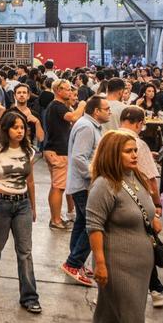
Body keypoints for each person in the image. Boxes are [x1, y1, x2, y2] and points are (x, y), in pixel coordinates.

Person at [78, 130, 163, 323]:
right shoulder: (104, 186)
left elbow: (147, 208)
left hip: (140, 263)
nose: (135, 154)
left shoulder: (134, 179)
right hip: (117, 264)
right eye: (128, 151)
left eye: (135, 150)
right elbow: (93, 226)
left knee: (108, 309)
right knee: (132, 319)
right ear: (112, 154)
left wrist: (154, 220)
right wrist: (101, 265)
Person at [0, 110, 41, 313]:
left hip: (22, 204)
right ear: (6, 129)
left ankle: (29, 296)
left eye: (22, 127)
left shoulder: (29, 151)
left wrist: (33, 206)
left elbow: (30, 180)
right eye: (15, 127)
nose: (20, 131)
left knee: (25, 251)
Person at [117, 106, 163, 308]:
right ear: (139, 124)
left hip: (115, 201)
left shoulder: (109, 138)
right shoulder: (137, 144)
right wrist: (157, 203)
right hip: (137, 202)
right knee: (146, 247)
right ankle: (156, 290)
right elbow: (151, 179)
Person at [61, 95, 110, 286]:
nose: (109, 112)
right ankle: (73, 263)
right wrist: (94, 177)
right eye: (106, 109)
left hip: (83, 184)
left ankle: (75, 262)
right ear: (96, 111)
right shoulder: (86, 127)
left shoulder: (90, 126)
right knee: (93, 225)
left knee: (82, 223)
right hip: (84, 186)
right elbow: (79, 158)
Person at [43, 79, 81, 229]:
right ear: (58, 91)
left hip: (54, 150)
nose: (70, 92)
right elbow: (72, 118)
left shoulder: (58, 106)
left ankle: (56, 218)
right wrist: (82, 106)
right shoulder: (57, 106)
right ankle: (56, 220)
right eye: (66, 89)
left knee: (56, 186)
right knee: (58, 187)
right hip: (57, 151)